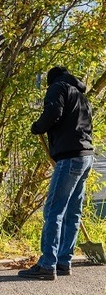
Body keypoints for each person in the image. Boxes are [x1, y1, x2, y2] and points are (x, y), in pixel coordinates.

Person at [19, 66, 94, 280]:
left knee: (54, 210)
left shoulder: (58, 87)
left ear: (50, 80)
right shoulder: (81, 96)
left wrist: (37, 127)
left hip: (69, 157)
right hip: (85, 156)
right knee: (72, 212)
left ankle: (47, 264)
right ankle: (63, 261)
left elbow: (53, 113)